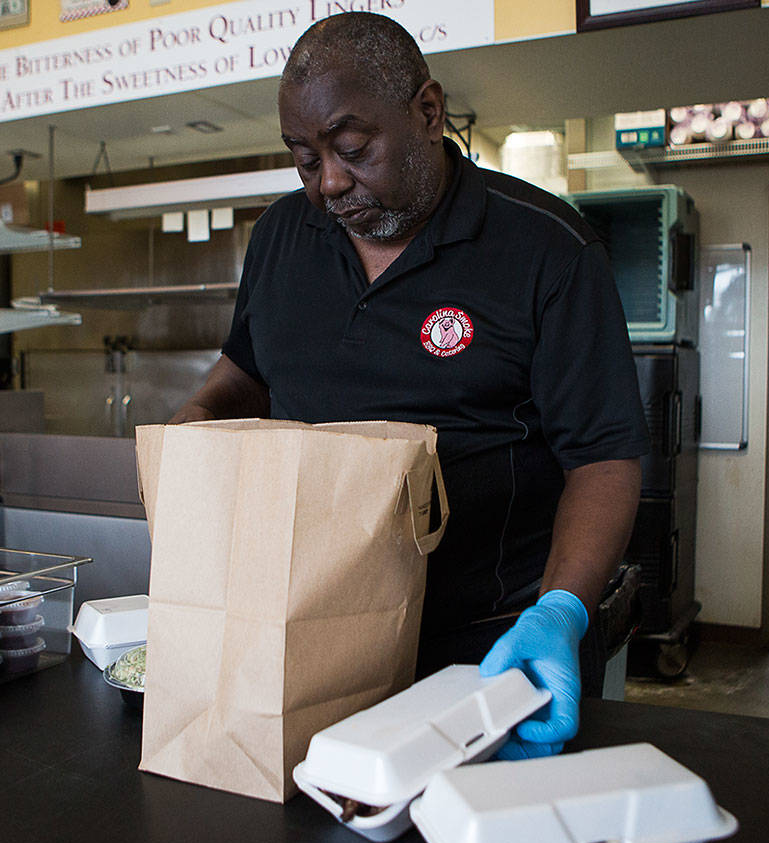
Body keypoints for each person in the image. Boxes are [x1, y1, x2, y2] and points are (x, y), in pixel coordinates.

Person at [171, 12, 648, 759]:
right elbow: (245, 376)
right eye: (303, 160)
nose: (329, 183)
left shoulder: (547, 249)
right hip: (305, 634)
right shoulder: (281, 240)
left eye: (353, 150)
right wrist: (192, 434)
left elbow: (604, 456)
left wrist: (560, 610)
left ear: (428, 111)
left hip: (489, 647)